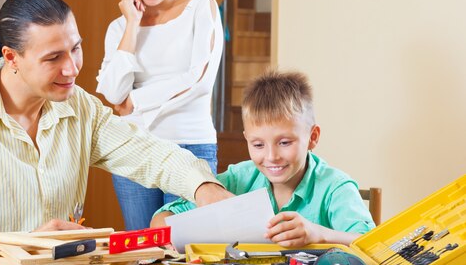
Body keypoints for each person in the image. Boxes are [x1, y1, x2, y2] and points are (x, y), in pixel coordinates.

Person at [0, 0, 234, 265]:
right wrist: (24, 246)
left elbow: (149, 153)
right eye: (53, 58)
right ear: (11, 58)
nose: (72, 68)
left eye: (75, 49)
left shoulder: (79, 107)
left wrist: (203, 187)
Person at [151, 70, 375, 247]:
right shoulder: (237, 180)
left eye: (285, 143)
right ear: (247, 140)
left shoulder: (335, 187)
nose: (271, 157)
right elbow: (162, 219)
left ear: (312, 137)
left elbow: (372, 246)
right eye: (258, 145)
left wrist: (319, 234)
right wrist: (169, 238)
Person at [96, 0, 224, 230]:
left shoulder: (200, 8)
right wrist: (132, 24)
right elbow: (113, 93)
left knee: (184, 248)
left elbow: (200, 79)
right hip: (133, 149)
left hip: (190, 144)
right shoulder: (119, 27)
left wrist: (135, 102)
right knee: (141, 249)